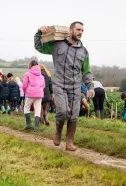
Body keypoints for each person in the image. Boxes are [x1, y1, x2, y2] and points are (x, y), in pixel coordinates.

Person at [35, 21, 94, 151]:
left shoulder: (83, 52)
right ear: (71, 30)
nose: (81, 33)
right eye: (78, 30)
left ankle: (69, 143)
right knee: (62, 112)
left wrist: (90, 87)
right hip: (59, 84)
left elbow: (86, 71)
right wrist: (39, 32)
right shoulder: (57, 45)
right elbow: (39, 47)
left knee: (74, 116)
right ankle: (57, 132)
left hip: (75, 87)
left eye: (82, 31)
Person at [22, 60, 45, 132]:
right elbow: (43, 86)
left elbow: (24, 85)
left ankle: (28, 124)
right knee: (37, 109)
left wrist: (25, 91)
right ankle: (36, 127)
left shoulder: (27, 74)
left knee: (26, 108)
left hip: (30, 94)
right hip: (39, 94)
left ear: (30, 65)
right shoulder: (42, 76)